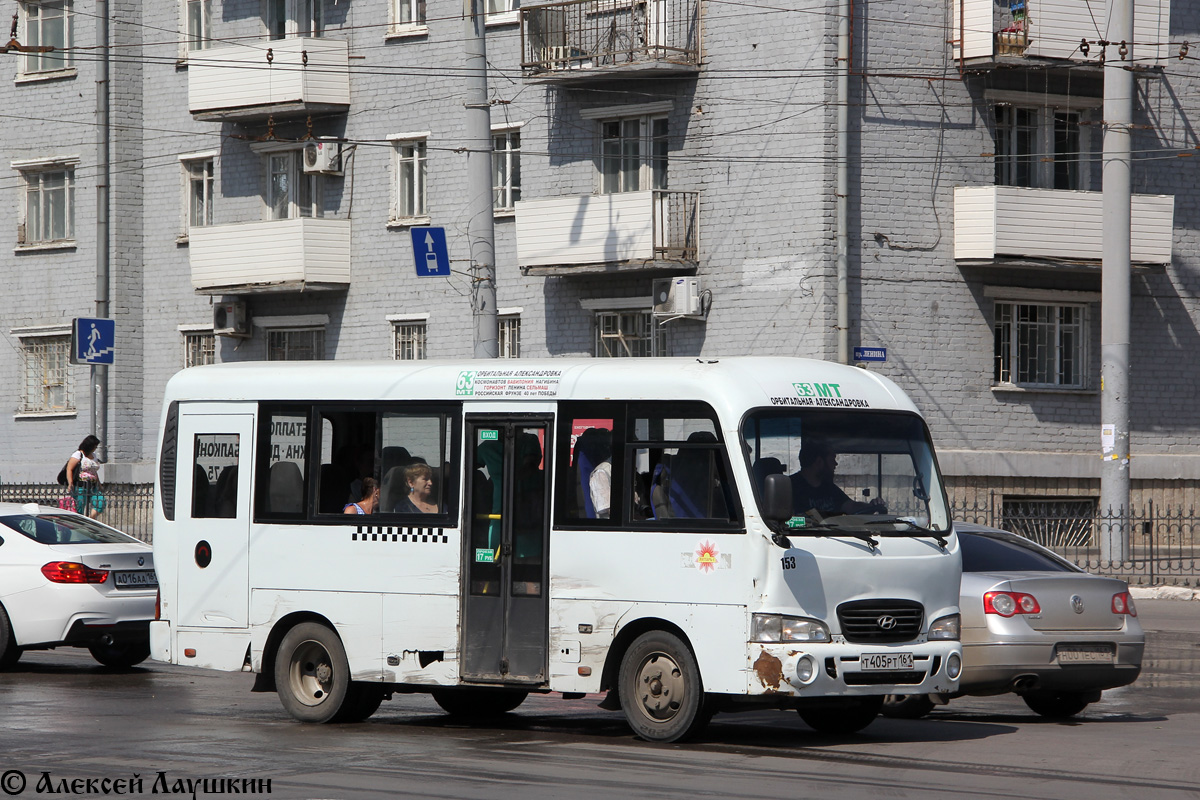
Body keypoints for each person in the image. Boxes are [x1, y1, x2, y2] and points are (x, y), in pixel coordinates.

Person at [789, 441, 885, 518]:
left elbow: (850, 506)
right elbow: (787, 523)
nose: (835, 464)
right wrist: (808, 523)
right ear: (819, 462)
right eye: (832, 459)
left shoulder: (829, 488)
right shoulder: (789, 487)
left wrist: (871, 506)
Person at [66, 435, 103, 518]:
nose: (95, 448)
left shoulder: (93, 455)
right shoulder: (78, 454)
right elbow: (69, 469)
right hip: (81, 485)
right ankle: (79, 524)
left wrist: (99, 484)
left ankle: (90, 519)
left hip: (93, 485)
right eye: (94, 446)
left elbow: (94, 471)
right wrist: (70, 483)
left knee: (100, 502)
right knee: (80, 508)